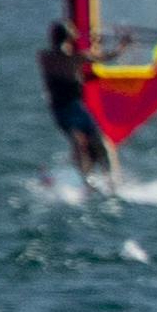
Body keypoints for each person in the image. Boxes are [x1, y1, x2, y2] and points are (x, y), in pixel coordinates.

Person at [37, 10, 111, 189]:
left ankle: (109, 180)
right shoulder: (49, 58)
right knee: (79, 143)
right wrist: (96, 45)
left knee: (99, 143)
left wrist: (111, 46)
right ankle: (86, 182)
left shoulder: (67, 58)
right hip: (62, 110)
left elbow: (99, 57)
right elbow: (95, 57)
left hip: (77, 107)